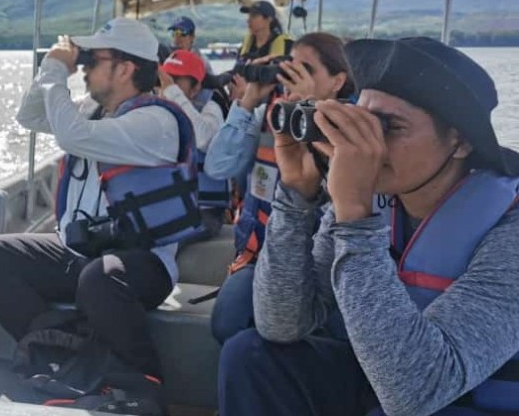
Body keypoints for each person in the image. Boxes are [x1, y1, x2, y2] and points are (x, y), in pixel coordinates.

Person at [218, 37, 519, 416]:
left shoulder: (509, 229)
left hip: (448, 398)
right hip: (383, 383)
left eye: (388, 126)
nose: (365, 146)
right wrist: (295, 197)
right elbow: (282, 323)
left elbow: (414, 392)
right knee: (252, 356)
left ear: (459, 142)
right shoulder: (378, 197)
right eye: (359, 121)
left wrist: (356, 218)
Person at [0, 18, 204, 415]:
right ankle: (63, 350)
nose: (87, 67)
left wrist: (60, 71)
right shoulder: (95, 111)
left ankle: (142, 383)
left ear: (126, 68)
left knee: (100, 279)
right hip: (81, 251)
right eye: (86, 59)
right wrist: (52, 69)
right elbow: (30, 116)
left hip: (141, 264)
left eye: (95, 59)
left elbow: (71, 136)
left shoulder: (155, 121)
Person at [204, 32, 354, 344]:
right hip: (260, 257)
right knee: (229, 322)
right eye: (289, 68)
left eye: (307, 70)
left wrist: (311, 110)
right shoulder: (270, 117)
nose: (291, 78)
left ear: (338, 80)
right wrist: (247, 103)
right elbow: (218, 167)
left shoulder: (353, 133)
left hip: (318, 265)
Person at [159, 49, 226, 237]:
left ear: (196, 88)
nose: (165, 86)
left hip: (205, 212)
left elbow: (203, 138)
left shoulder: (211, 108)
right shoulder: (160, 109)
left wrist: (173, 93)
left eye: (175, 81)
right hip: (172, 206)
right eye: (165, 79)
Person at [234, 0, 293, 64]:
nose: (248, 20)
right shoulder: (246, 44)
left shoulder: (287, 45)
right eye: (249, 16)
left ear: (269, 19)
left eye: (254, 16)